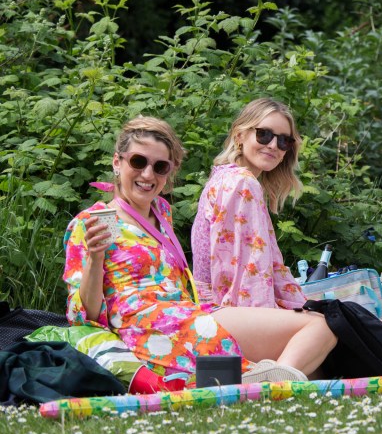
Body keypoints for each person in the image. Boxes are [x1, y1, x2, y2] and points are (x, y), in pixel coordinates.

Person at [63, 116, 337, 386]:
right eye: (138, 162)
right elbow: (86, 314)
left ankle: (270, 377)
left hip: (187, 313)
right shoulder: (100, 219)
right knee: (318, 333)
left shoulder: (162, 213)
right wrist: (95, 259)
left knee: (320, 344)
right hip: (149, 326)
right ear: (116, 162)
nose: (148, 175)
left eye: (160, 167)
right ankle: (269, 382)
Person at [191, 98, 306, 309]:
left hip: (218, 308)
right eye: (264, 134)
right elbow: (249, 278)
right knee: (329, 328)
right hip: (229, 313)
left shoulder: (225, 177)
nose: (273, 145)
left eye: (284, 141)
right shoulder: (241, 182)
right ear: (239, 135)